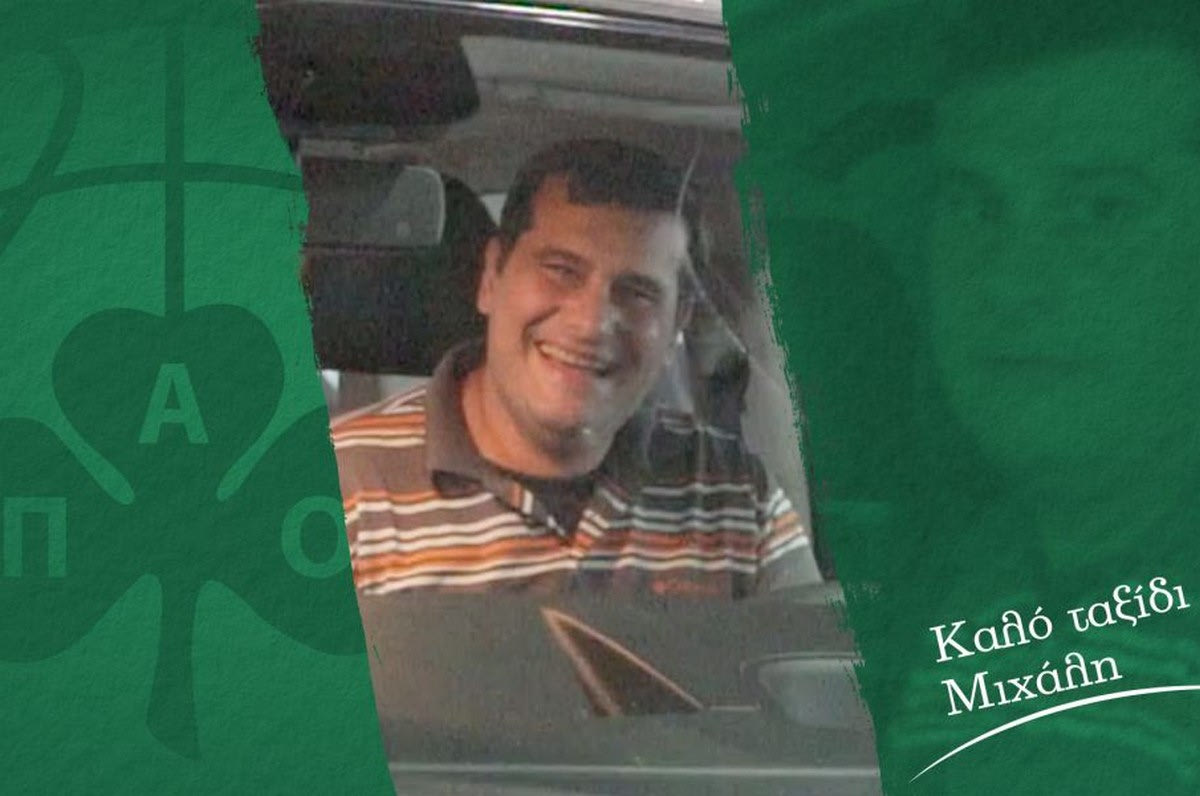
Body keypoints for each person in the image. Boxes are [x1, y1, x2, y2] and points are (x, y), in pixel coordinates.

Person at [331, 138, 820, 597]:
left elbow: (817, 660)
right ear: (491, 277)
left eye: (638, 292)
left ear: (679, 320)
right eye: (561, 271)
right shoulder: (337, 490)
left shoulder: (738, 498)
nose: (591, 324)